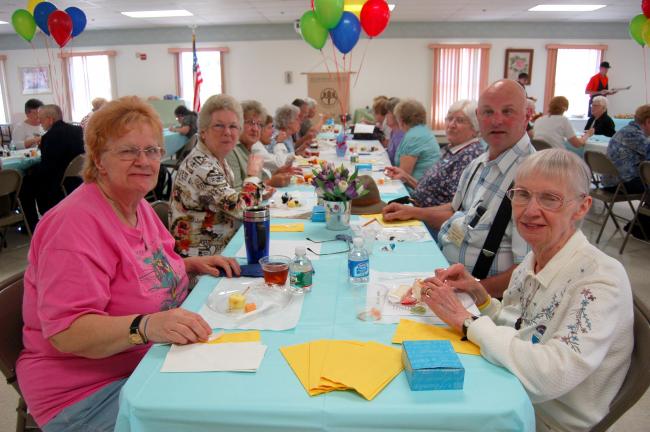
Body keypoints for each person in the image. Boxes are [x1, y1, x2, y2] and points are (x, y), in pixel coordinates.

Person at [16, 96, 242, 431]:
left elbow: (148, 269)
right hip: (86, 394)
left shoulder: (139, 207)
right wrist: (146, 326)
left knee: (240, 390)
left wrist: (190, 264)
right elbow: (67, 331)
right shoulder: (73, 225)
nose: (144, 161)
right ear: (98, 159)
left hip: (150, 362)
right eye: (127, 151)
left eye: (152, 151)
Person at [419, 149, 633, 432]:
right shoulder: (533, 260)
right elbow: (519, 324)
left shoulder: (600, 281)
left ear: (582, 207)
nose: (530, 211)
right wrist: (480, 296)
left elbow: (552, 375)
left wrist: (467, 321)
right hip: (514, 388)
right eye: (522, 194)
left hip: (545, 418)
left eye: (550, 198)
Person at [385, 80, 534, 298]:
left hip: (483, 299)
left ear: (527, 116)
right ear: (479, 118)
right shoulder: (478, 164)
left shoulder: (533, 177)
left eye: (508, 111)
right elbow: (456, 209)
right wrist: (411, 212)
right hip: (447, 273)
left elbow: (528, 270)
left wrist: (471, 292)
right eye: (488, 112)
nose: (497, 120)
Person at [169, 94, 265, 257]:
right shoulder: (201, 165)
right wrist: (253, 176)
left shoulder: (216, 158)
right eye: (219, 126)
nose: (227, 132)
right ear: (203, 131)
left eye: (233, 126)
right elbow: (243, 210)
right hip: (202, 267)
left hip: (222, 251)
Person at [383, 99, 484, 207]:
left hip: (426, 217)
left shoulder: (469, 156)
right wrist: (406, 177)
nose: (451, 125)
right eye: (449, 119)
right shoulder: (451, 150)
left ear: (475, 127)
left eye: (459, 120)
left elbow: (453, 209)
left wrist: (413, 212)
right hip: (416, 206)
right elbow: (429, 191)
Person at [19, 104, 85, 232]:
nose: (40, 122)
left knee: (24, 184)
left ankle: (32, 226)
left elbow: (47, 168)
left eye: (41, 119)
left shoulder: (49, 137)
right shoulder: (78, 130)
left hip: (56, 181)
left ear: (50, 119)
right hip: (76, 177)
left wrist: (31, 171)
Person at [225, 100, 299, 188]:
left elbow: (259, 180)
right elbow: (237, 194)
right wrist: (270, 183)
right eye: (250, 123)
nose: (255, 129)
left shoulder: (250, 148)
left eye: (259, 124)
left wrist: (277, 173)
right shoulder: (231, 151)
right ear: (238, 124)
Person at [601, 104, 650, 194]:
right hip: (620, 184)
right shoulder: (635, 135)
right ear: (648, 121)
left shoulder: (626, 130)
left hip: (610, 181)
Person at [392, 99, 440, 183]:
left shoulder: (413, 137)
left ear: (401, 120)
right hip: (427, 185)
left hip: (416, 189)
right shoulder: (423, 130)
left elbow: (403, 176)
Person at [385, 97, 404, 165]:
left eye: (388, 113)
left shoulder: (402, 136)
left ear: (396, 115)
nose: (385, 115)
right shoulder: (393, 132)